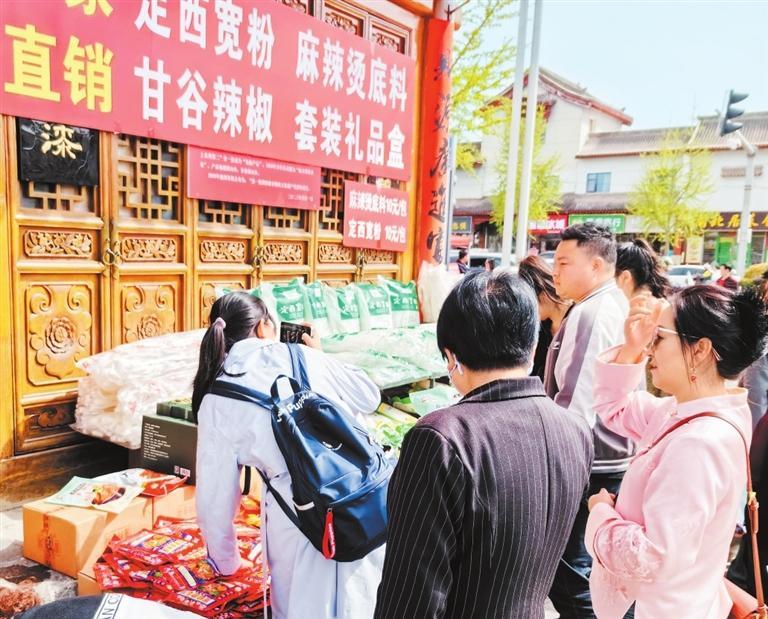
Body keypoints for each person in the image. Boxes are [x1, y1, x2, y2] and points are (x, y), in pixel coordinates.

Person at [374, 271, 593, 619]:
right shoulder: (575, 430)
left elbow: (411, 594)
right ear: (532, 347)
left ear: (451, 357)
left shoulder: (441, 438)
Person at [192, 291, 384, 619]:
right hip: (362, 504)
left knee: (302, 606)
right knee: (363, 601)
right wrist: (319, 355)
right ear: (265, 326)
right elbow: (369, 396)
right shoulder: (304, 355)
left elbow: (214, 499)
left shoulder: (217, 396)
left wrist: (226, 563)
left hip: (298, 523)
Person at [586, 285, 768, 618]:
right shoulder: (692, 411)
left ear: (700, 350)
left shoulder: (699, 442)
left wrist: (600, 516)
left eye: (658, 338)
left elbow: (653, 556)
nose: (650, 350)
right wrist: (632, 346)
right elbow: (614, 406)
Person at [546, 222, 635, 618]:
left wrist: (555, 466)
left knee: (569, 575)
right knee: (592, 571)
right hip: (607, 457)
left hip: (589, 462)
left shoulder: (591, 313)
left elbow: (576, 403)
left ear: (596, 266)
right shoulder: (611, 303)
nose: (555, 272)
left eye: (564, 263)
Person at [518, 255, 571, 380]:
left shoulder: (576, 319)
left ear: (542, 293)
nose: (528, 309)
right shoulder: (541, 329)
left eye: (529, 301)